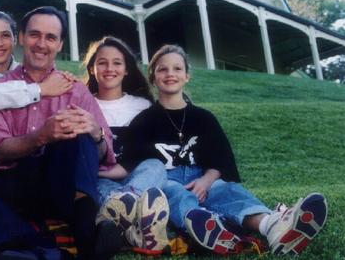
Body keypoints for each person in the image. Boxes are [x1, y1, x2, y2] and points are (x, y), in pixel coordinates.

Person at [0, 6, 116, 260]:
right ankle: (40, 248)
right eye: (35, 35)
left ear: (60, 43)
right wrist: (41, 136)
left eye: (51, 37)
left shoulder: (74, 89)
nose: (42, 44)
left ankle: (87, 240)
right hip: (13, 186)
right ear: (21, 37)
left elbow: (102, 152)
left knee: (80, 133)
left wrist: (96, 134)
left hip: (59, 190)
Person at [116, 44, 328, 255]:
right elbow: (133, 164)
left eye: (177, 68)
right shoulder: (143, 120)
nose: (170, 74)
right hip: (166, 179)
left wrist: (206, 181)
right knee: (176, 194)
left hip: (201, 176)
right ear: (153, 77)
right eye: (163, 69)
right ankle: (206, 226)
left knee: (227, 191)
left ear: (187, 76)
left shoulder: (204, 118)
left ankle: (272, 226)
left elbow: (220, 160)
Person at [82, 36, 169, 255]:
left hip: (135, 176)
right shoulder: (83, 104)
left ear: (127, 69)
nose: (109, 68)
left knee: (155, 167)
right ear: (92, 68)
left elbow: (148, 151)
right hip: (101, 178)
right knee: (99, 187)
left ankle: (127, 203)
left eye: (117, 63)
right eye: (102, 62)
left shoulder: (142, 106)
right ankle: (140, 222)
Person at [0, 11, 74, 160]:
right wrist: (40, 89)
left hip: (26, 153)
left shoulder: (28, 73)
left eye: (5, 35)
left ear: (15, 39)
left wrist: (64, 79)